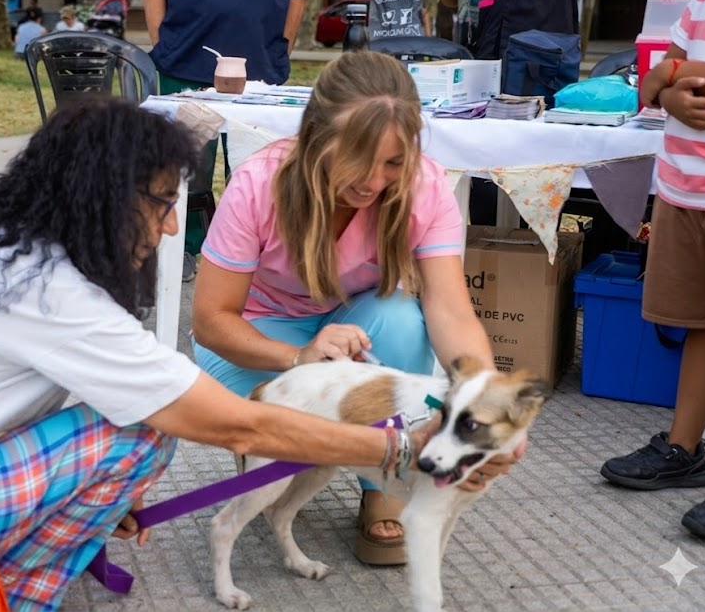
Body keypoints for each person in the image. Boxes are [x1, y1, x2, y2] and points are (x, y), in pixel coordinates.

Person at [0, 98, 517, 611]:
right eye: (163, 202)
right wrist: (394, 448)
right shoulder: (50, 292)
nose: (173, 228)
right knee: (142, 431)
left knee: (122, 423)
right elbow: (240, 427)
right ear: (102, 197)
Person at [191, 51, 521, 566]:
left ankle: (380, 483)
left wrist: (486, 403)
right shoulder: (261, 183)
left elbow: (451, 311)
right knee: (272, 428)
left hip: (352, 325)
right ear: (317, 138)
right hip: (253, 338)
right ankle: (275, 437)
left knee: (399, 317)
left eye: (392, 162)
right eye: (356, 160)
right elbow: (210, 320)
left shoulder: (425, 186)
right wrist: (298, 356)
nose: (372, 181)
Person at [600, 0, 705, 541]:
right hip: (687, 181)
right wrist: (670, 89)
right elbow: (653, 76)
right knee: (704, 323)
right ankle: (684, 450)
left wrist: (672, 73)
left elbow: (665, 69)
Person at [131, 0, 322, 281]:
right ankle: (184, 248)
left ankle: (249, 254)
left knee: (256, 168)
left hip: (259, 74)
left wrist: (283, 47)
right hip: (186, 66)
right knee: (188, 167)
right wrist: (163, 47)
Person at [447, 0, 588, 226]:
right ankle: (529, 252)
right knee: (540, 153)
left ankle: (500, 253)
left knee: (498, 153)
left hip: (519, 40)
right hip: (554, 35)